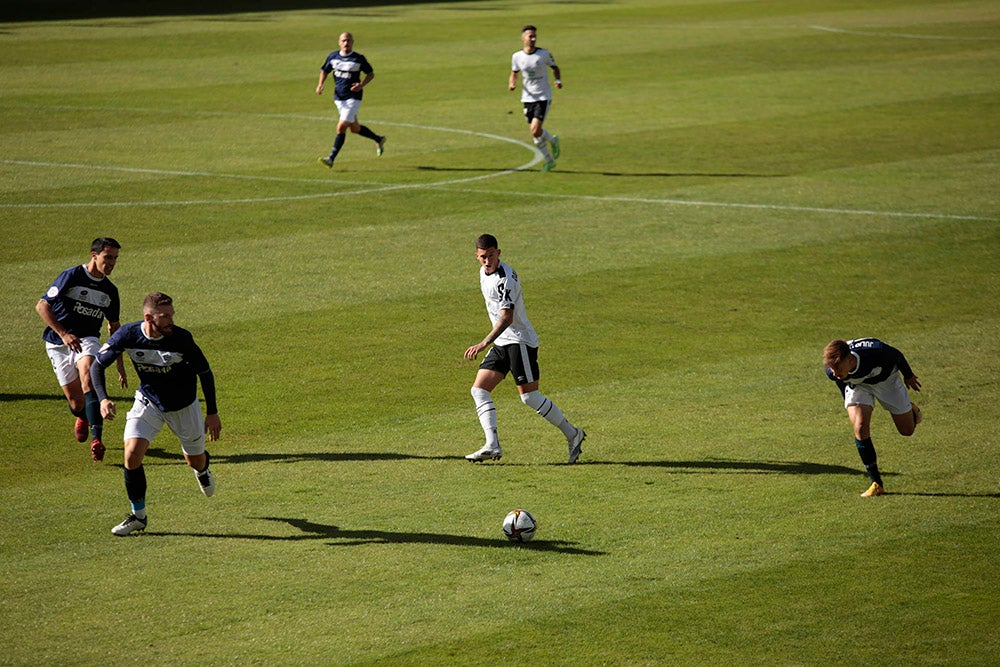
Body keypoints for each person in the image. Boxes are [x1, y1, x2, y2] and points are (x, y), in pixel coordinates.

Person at [90, 292, 222, 536]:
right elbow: (97, 365)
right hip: (148, 402)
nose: (171, 320)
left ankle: (202, 470)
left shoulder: (181, 339)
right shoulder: (128, 335)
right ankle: (138, 516)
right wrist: (103, 399)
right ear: (149, 318)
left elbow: (205, 372)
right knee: (131, 455)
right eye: (165, 316)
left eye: (172, 315)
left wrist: (212, 412)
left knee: (195, 459)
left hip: (183, 407)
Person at [464, 234, 585, 463]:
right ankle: (492, 444)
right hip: (503, 342)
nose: (487, 261)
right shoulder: (483, 272)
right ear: (476, 256)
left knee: (529, 397)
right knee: (479, 390)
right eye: (482, 257)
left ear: (499, 253)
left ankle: (573, 434)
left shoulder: (504, 279)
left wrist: (484, 343)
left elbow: (507, 317)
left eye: (491, 255)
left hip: (519, 341)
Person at [36, 237, 127, 462]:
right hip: (58, 341)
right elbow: (42, 306)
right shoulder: (72, 276)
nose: (112, 263)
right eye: (108, 257)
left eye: (115, 258)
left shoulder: (110, 291)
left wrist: (119, 363)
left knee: (88, 374)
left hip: (87, 340)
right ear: (94, 255)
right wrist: (64, 334)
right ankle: (83, 417)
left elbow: (114, 327)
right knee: (77, 403)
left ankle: (97, 440)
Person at [823, 338, 923, 497]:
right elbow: (840, 379)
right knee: (860, 427)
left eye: (837, 369)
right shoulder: (834, 371)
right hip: (859, 386)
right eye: (832, 369)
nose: (834, 373)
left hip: (886, 381)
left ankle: (910, 410)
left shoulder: (875, 352)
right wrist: (847, 400)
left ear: (850, 360)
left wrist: (908, 375)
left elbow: (897, 355)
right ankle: (876, 482)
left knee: (907, 430)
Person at [316, 31, 387, 168]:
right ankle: (378, 139)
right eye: (343, 40)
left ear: (352, 42)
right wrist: (320, 84)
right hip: (339, 98)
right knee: (354, 128)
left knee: (341, 127)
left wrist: (361, 85)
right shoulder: (333, 57)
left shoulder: (358, 59)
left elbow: (370, 74)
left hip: (353, 98)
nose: (346, 43)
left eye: (348, 40)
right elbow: (324, 70)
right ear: (339, 42)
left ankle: (331, 158)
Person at [510, 25, 562, 172]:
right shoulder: (517, 56)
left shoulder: (544, 54)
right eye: (530, 36)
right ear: (523, 38)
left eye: (534, 36)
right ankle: (549, 161)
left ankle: (553, 141)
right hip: (527, 98)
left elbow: (555, 68)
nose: (533, 39)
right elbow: (514, 72)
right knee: (536, 134)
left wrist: (557, 81)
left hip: (543, 96)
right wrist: (512, 82)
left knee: (535, 130)